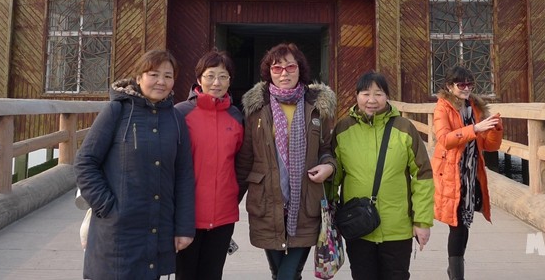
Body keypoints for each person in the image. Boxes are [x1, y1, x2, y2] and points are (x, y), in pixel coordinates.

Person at [74, 49, 195, 280]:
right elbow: (85, 162)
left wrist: (184, 227)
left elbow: (184, 175)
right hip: (118, 230)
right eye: (153, 74)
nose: (161, 81)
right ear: (139, 77)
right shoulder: (116, 111)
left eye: (168, 76)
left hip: (158, 226)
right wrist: (108, 207)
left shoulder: (176, 119)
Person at [235, 42, 337, 280]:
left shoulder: (316, 108)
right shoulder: (256, 110)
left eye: (290, 67)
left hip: (305, 203)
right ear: (268, 73)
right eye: (277, 68)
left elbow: (327, 149)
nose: (284, 73)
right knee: (280, 274)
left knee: (287, 275)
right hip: (267, 204)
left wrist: (328, 166)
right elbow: (246, 160)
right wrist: (231, 202)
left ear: (300, 69)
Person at [332, 70, 434, 280]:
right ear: (356, 95)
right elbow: (333, 179)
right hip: (358, 226)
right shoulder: (343, 129)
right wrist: (328, 220)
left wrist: (422, 221)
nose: (371, 100)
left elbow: (422, 175)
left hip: (397, 227)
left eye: (378, 94)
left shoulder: (404, 128)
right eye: (365, 93)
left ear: (387, 96)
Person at [175, 49, 244, 280]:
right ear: (198, 79)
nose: (217, 82)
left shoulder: (236, 117)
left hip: (224, 213)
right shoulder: (180, 113)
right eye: (210, 75)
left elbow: (241, 163)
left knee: (212, 274)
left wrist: (235, 193)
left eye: (223, 76)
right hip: (187, 215)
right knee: (186, 274)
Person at [433, 66, 503, 280]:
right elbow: (444, 140)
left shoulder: (475, 107)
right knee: (457, 223)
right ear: (449, 86)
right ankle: (456, 274)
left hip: (471, 174)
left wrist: (495, 129)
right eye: (461, 84)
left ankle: (455, 269)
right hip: (451, 172)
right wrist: (475, 129)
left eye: (469, 84)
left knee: (464, 221)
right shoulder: (442, 108)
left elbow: (490, 147)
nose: (466, 88)